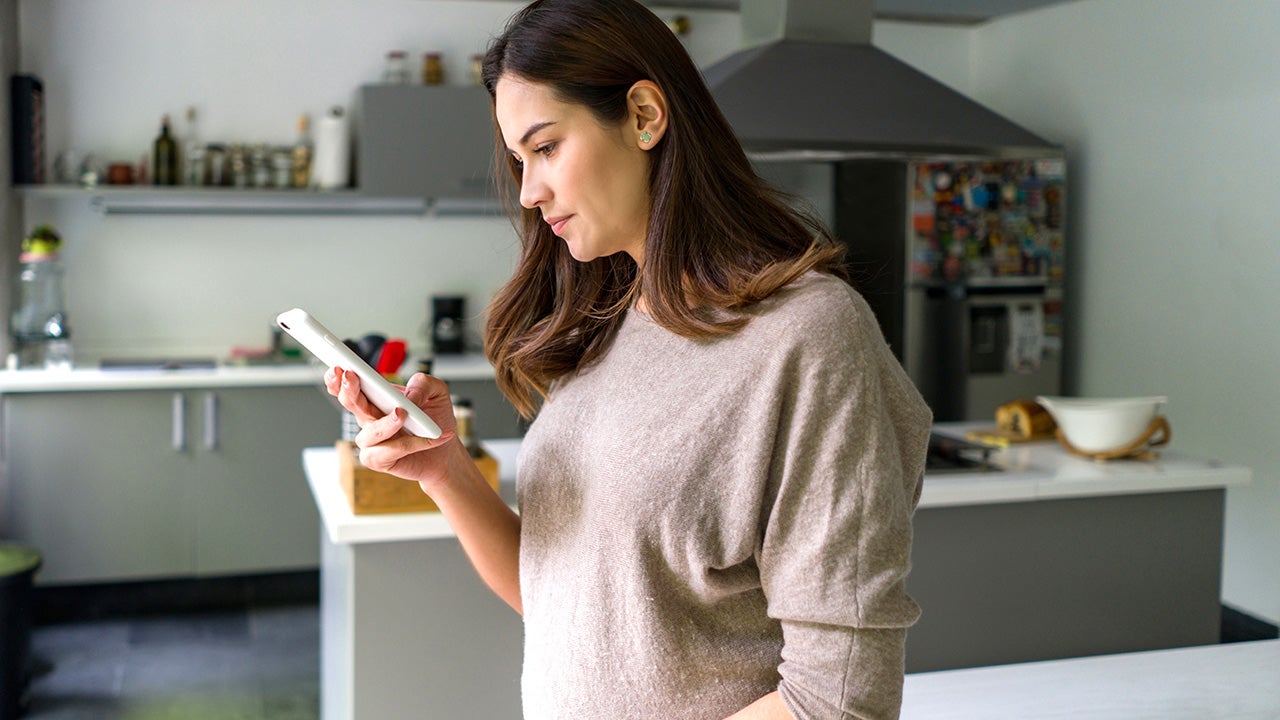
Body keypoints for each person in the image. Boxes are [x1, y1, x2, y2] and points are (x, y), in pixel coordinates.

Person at [325, 0, 931, 717]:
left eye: (546, 148)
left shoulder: (809, 335)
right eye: (520, 160)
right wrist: (445, 471)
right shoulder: (608, 322)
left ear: (644, 115)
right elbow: (572, 606)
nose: (528, 190)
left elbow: (839, 698)